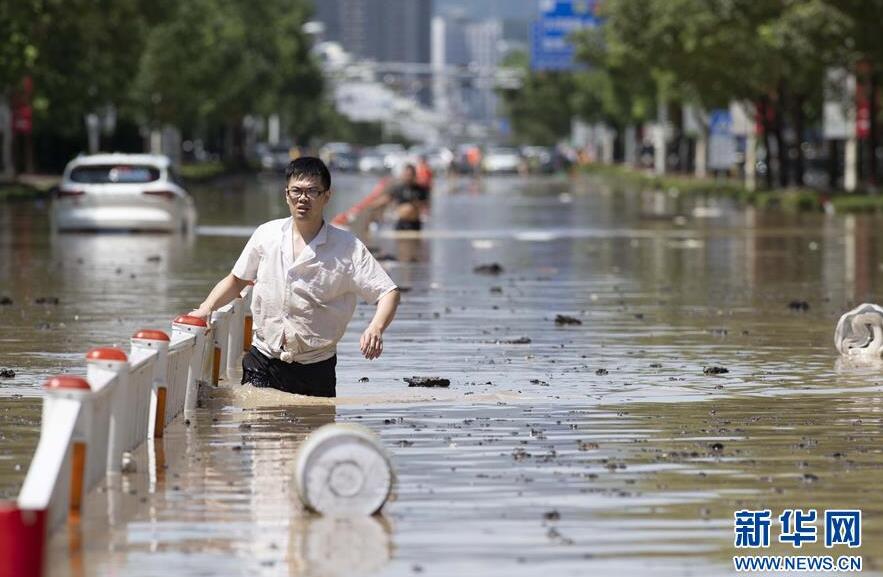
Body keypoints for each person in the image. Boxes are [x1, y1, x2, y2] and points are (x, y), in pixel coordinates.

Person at [190, 157, 401, 398]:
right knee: (258, 425)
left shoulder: (347, 247)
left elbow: (388, 293)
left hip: (316, 366)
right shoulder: (266, 234)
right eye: (296, 191)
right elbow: (237, 280)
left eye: (312, 191)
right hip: (264, 359)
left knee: (310, 432)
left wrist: (376, 327)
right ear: (286, 195)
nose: (303, 198)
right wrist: (205, 309)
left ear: (327, 196)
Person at [371, 164, 428, 231]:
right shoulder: (399, 188)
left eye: (410, 175)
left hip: (415, 223)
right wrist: (373, 205)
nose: (408, 177)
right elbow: (387, 198)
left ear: (414, 175)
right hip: (401, 223)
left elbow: (424, 205)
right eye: (406, 174)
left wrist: (413, 205)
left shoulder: (420, 189)